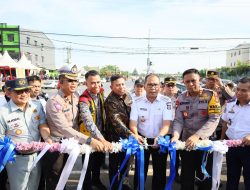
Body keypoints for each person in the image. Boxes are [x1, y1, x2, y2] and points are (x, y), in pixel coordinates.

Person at [43, 64, 103, 190]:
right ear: (61, 82)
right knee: (55, 180)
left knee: (65, 176)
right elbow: (64, 128)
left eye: (75, 80)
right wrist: (89, 140)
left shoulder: (75, 97)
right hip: (57, 146)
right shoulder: (54, 101)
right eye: (70, 80)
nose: (74, 83)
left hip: (71, 144)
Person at [171, 68, 221, 190]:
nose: (190, 84)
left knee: (204, 177)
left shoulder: (210, 95)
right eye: (187, 82)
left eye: (193, 81)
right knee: (186, 177)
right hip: (186, 144)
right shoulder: (180, 98)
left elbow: (214, 118)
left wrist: (197, 136)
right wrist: (176, 136)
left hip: (205, 143)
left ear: (200, 80)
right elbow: (178, 120)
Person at [0, 78, 52, 190]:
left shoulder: (36, 106)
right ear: (9, 92)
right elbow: (1, 138)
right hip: (16, 159)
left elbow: (42, 124)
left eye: (26, 90)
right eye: (19, 91)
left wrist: (47, 137)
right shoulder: (2, 112)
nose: (24, 94)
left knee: (34, 187)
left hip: (36, 156)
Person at [130, 74, 173, 190]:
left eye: (155, 84)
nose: (153, 87)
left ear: (160, 86)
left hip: (160, 139)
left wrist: (159, 137)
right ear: (144, 86)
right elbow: (133, 124)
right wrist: (136, 135)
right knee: (140, 170)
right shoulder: (137, 101)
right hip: (142, 139)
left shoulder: (166, 101)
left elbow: (166, 125)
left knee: (160, 171)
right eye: (149, 84)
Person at [79, 70, 111, 190]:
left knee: (97, 162)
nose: (96, 85)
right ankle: (86, 186)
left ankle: (96, 181)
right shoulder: (83, 100)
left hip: (101, 135)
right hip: (88, 138)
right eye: (92, 83)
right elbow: (88, 123)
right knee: (87, 165)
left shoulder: (101, 94)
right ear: (86, 83)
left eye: (98, 82)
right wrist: (102, 139)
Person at [104, 74, 133, 190]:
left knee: (126, 163)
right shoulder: (110, 101)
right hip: (115, 139)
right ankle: (114, 186)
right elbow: (116, 122)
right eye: (117, 85)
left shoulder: (127, 96)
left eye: (122, 84)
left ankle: (124, 183)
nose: (121, 87)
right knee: (114, 165)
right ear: (111, 87)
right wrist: (132, 135)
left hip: (127, 137)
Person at [221, 77, 250, 190]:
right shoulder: (230, 104)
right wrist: (222, 140)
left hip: (248, 148)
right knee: (232, 177)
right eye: (238, 89)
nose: (239, 92)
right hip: (231, 147)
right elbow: (225, 124)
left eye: (243, 90)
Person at [204, 70, 235, 140]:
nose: (211, 81)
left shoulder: (222, 89)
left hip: (218, 124)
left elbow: (233, 99)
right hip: (204, 123)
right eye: (209, 79)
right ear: (206, 79)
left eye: (214, 79)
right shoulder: (201, 89)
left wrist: (222, 85)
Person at [163, 76, 181, 183]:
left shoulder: (180, 99)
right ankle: (161, 174)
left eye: (172, 85)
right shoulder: (159, 98)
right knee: (162, 155)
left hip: (176, 132)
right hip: (163, 132)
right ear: (164, 86)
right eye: (168, 85)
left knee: (175, 155)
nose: (170, 88)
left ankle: (175, 174)